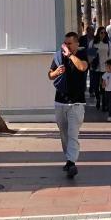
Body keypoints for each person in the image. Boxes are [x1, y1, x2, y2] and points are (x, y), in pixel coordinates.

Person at [48, 31, 89, 179]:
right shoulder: (58, 56)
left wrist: (71, 55)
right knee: (64, 134)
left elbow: (83, 67)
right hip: (60, 101)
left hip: (76, 103)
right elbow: (49, 75)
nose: (66, 46)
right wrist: (56, 72)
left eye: (69, 43)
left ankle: (71, 162)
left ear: (77, 43)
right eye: (65, 43)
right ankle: (69, 159)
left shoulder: (82, 55)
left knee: (73, 134)